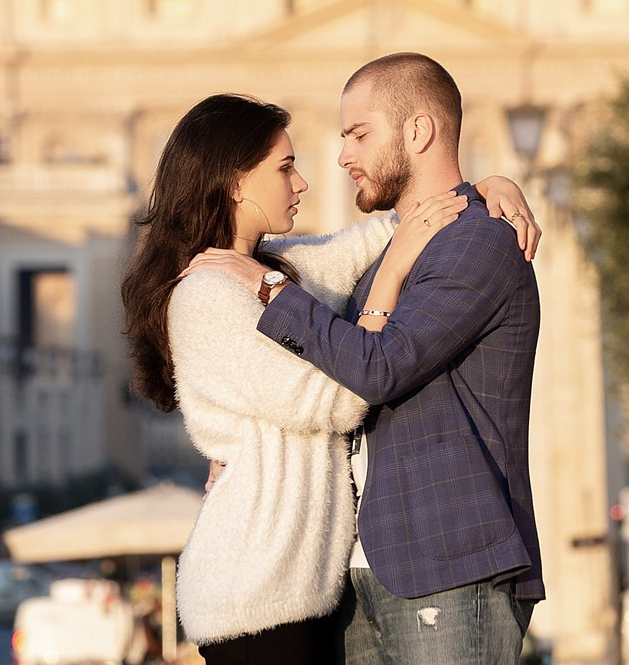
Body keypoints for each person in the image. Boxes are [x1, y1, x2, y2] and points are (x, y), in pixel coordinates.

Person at [121, 93, 539, 665]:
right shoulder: (208, 293)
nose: (303, 183)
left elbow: (387, 230)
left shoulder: (274, 269)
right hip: (254, 588)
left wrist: (487, 188)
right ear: (235, 183)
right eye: (285, 167)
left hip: (301, 586)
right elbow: (342, 397)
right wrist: (391, 276)